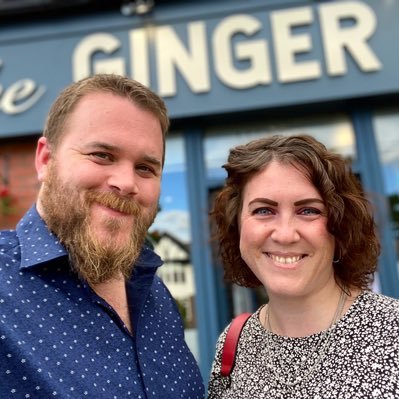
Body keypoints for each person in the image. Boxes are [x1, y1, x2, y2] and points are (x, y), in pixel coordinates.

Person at [0, 74, 205, 398]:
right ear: (45, 159)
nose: (126, 182)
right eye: (102, 155)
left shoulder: (155, 294)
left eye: (145, 168)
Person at [208, 134, 399, 398]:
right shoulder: (233, 343)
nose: (285, 235)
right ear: (237, 225)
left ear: (339, 227)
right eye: (264, 210)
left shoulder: (392, 331)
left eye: (308, 210)